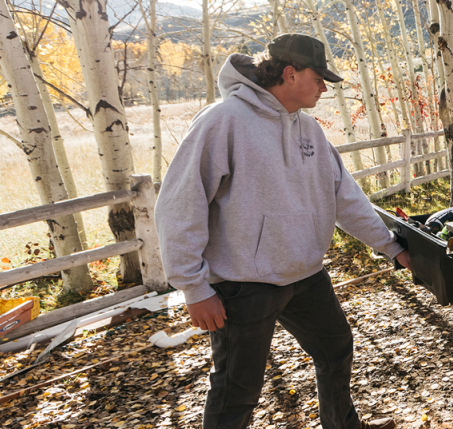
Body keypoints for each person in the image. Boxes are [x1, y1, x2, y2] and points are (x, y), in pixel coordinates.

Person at [156, 33, 409, 429]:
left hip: (305, 274)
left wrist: (392, 247)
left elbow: (346, 198)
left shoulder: (309, 130)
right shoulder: (224, 121)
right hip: (244, 283)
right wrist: (193, 287)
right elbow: (180, 204)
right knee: (237, 390)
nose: (324, 87)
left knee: (336, 348)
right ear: (290, 74)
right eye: (319, 78)